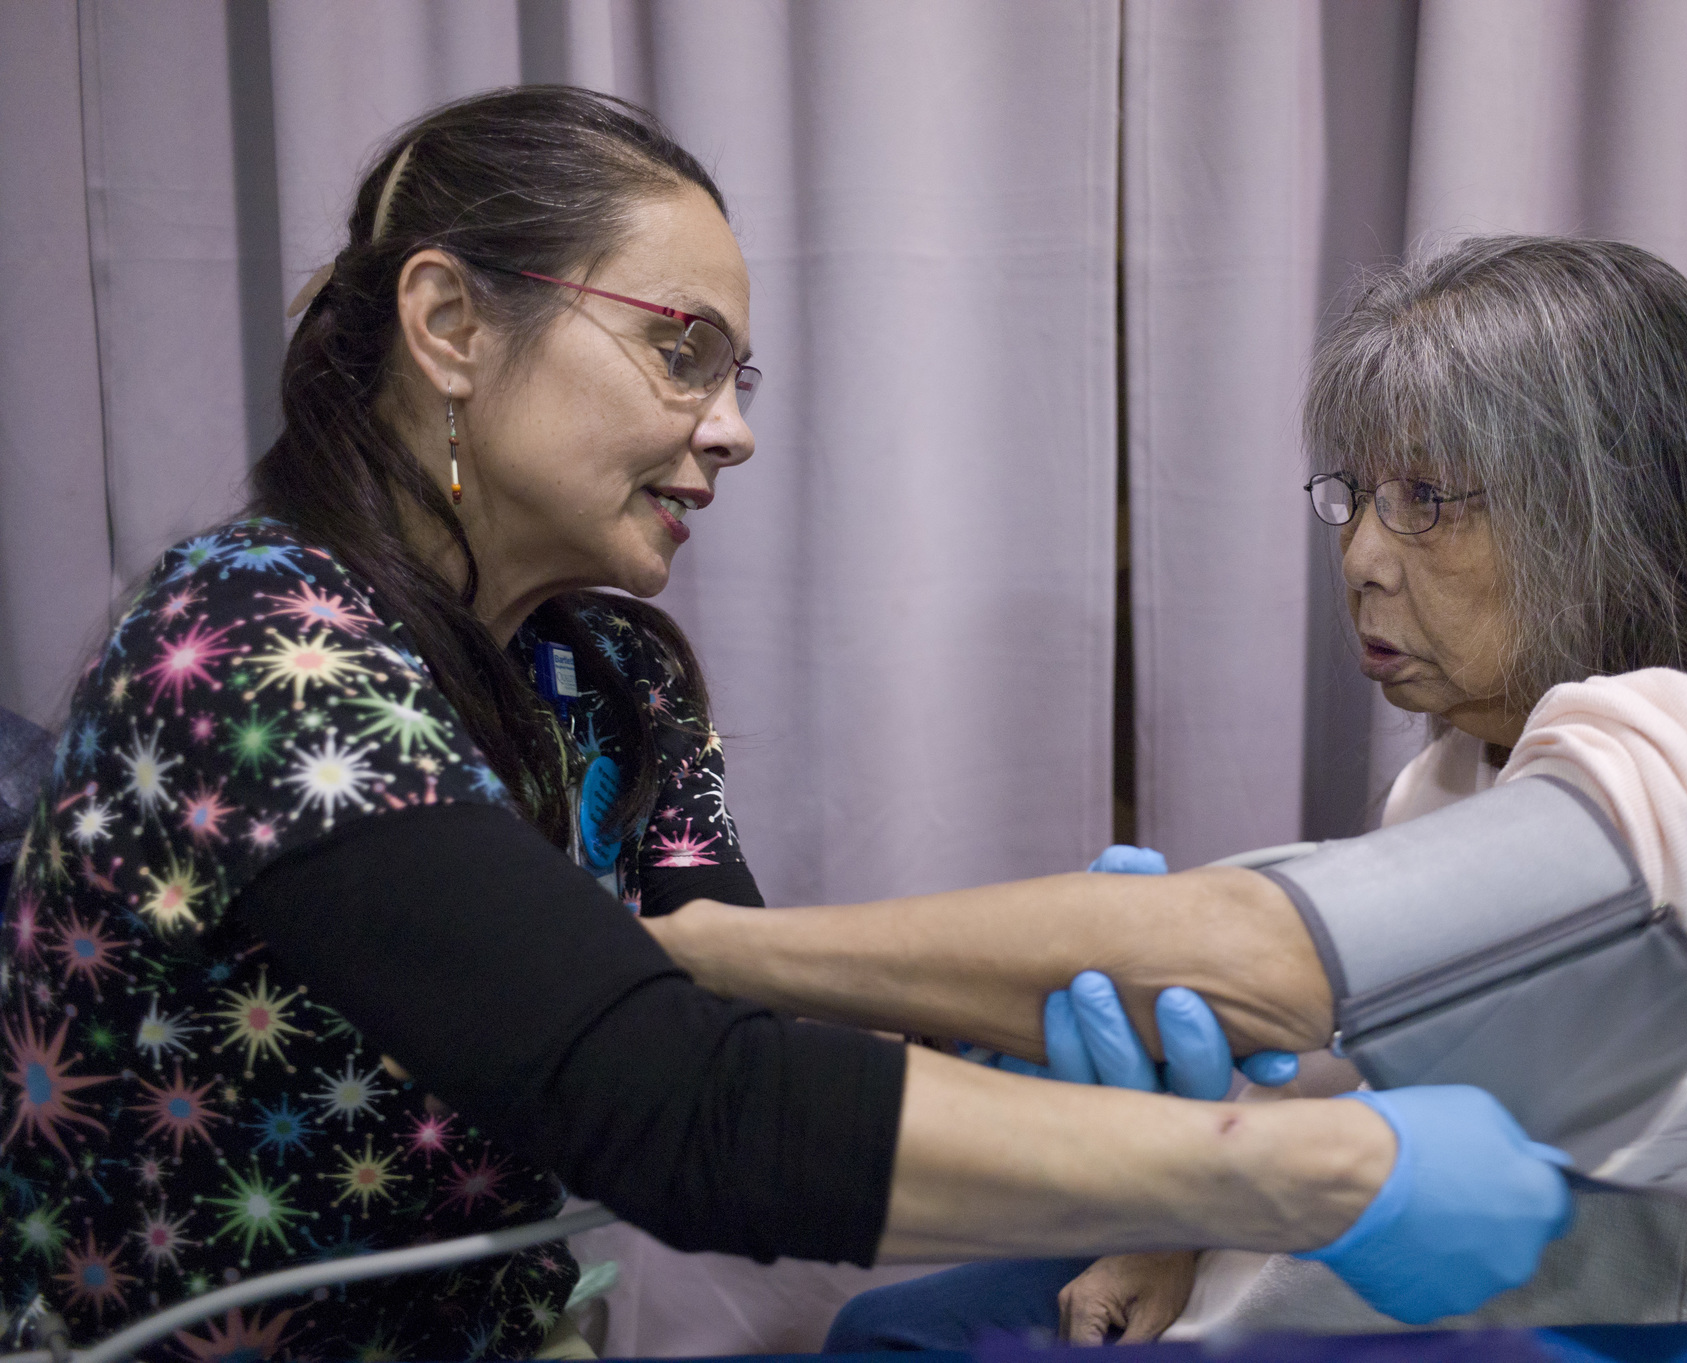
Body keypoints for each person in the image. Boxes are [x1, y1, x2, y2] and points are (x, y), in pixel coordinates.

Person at [0, 90, 1571, 1361]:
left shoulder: (613, 678)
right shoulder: (250, 656)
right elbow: (673, 1098)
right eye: (682, 351)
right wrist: (1286, 1177)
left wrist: (1045, 1001)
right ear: (451, 325)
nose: (734, 429)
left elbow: (735, 994)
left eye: (739, 372)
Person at [645, 237, 1687, 1344]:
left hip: (1562, 1338)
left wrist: (704, 955)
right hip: (1335, 1288)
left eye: (1429, 498)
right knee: (888, 1333)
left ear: (1608, 509)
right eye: (1354, 496)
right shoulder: (1467, 769)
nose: (1359, 554)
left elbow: (1265, 965)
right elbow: (1373, 1071)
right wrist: (1174, 1227)